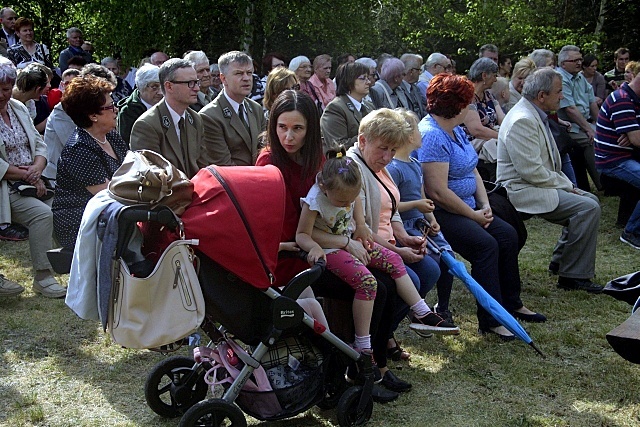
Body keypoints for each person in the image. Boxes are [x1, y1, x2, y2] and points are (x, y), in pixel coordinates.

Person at [256, 90, 400, 402]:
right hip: (294, 254)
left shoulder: (319, 160)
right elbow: (289, 230)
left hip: (321, 247)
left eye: (298, 128)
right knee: (373, 287)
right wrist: (344, 242)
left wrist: (357, 230)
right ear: (272, 126)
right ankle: (350, 373)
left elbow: (347, 202)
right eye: (282, 127)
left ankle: (374, 366)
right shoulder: (269, 162)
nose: (289, 136)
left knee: (388, 284)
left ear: (310, 130)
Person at [297, 147, 458, 354]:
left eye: (350, 200)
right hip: (331, 250)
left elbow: (358, 218)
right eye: (341, 202)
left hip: (351, 242)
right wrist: (315, 247)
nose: (347, 204)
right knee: (368, 282)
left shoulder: (348, 191)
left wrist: (362, 226)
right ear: (323, 187)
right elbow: (302, 234)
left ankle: (421, 311)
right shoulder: (314, 201)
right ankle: (363, 344)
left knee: (393, 259)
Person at [419, 73, 544, 339]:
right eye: (469, 103)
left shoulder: (455, 130)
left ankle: (511, 304)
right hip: (441, 214)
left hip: (471, 207)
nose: (472, 108)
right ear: (458, 106)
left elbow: (473, 169)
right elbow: (437, 192)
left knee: (507, 235)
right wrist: (474, 216)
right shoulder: (432, 135)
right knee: (486, 246)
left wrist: (484, 204)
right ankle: (490, 320)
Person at [498, 67, 602, 293]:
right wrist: (568, 186)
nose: (562, 96)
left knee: (589, 200)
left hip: (533, 184)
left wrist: (569, 187)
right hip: (520, 190)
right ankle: (572, 276)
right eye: (559, 91)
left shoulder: (533, 113)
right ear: (541, 96)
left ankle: (562, 260)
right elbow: (531, 172)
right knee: (587, 207)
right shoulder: (522, 119)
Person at [0, 57, 64, 298]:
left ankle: (71, 265)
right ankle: (43, 276)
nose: (3, 94)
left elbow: (39, 142)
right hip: (5, 186)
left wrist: (38, 167)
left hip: (30, 179)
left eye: (6, 89)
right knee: (41, 215)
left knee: (60, 208)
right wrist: (27, 174)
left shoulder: (18, 108)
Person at [387, 110, 456, 324]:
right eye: (417, 129)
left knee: (448, 258)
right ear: (408, 136)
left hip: (422, 223)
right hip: (406, 226)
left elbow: (422, 195)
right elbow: (392, 205)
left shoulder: (415, 164)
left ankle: (441, 308)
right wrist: (417, 205)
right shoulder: (394, 168)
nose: (421, 133)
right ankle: (415, 307)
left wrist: (432, 218)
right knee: (431, 265)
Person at [52, 75, 128, 250]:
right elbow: (108, 195)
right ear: (93, 115)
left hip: (111, 216)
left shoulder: (111, 136)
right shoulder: (79, 149)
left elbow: (132, 172)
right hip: (81, 223)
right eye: (110, 106)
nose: (116, 109)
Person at [130, 58, 203, 178]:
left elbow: (203, 164)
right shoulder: (146, 125)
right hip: (167, 194)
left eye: (196, 82)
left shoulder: (195, 119)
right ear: (169, 86)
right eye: (190, 83)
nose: (196, 88)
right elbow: (151, 176)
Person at [595, 63, 640, 249]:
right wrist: (634, 135)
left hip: (627, 156)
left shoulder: (633, 98)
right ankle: (632, 232)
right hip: (613, 161)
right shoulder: (622, 99)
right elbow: (637, 140)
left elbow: (635, 138)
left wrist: (634, 134)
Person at [199, 51, 265, 166]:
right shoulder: (209, 116)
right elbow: (223, 165)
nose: (246, 78)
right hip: (233, 181)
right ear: (223, 79)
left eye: (249, 73)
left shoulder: (256, 109)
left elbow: (265, 150)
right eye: (239, 73)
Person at [556, 45, 602, 191]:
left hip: (584, 122)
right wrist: (589, 130)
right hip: (567, 125)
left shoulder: (580, 77)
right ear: (563, 63)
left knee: (605, 137)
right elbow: (570, 110)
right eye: (574, 60)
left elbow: (592, 103)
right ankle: (603, 183)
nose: (579, 63)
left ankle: (611, 180)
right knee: (592, 141)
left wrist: (602, 127)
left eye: (580, 59)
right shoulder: (560, 79)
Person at [462, 57, 505, 181]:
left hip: (493, 140)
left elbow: (503, 119)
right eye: (494, 75)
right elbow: (476, 130)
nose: (496, 79)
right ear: (484, 75)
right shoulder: (468, 96)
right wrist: (504, 137)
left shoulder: (488, 95)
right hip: (475, 147)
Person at [320, 62, 374, 152]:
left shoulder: (369, 106)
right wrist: (370, 135)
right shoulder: (335, 108)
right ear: (349, 81)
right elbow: (337, 146)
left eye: (368, 78)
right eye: (363, 78)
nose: (368, 82)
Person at [116, 64, 162, 144]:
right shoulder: (128, 111)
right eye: (154, 87)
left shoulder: (169, 103)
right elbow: (126, 143)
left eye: (162, 86)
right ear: (141, 87)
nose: (160, 92)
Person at [11, 63, 51, 134]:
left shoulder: (31, 105)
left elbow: (31, 131)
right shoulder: (6, 99)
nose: (49, 86)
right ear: (38, 89)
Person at [399, 53, 426, 119]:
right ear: (411, 71)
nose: (420, 73)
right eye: (418, 70)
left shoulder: (415, 88)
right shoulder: (398, 89)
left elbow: (423, 110)